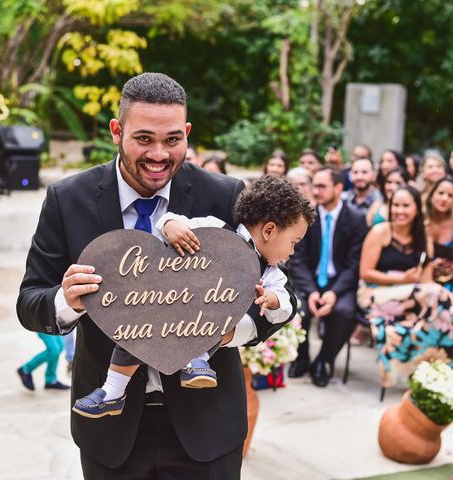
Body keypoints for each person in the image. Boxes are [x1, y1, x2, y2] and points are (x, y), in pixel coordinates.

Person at [16, 73, 290, 479]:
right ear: (117, 130)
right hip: (111, 435)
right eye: (144, 139)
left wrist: (234, 331)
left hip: (207, 428)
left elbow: (282, 288)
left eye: (173, 140)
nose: (159, 154)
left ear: (187, 133)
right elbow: (29, 301)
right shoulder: (67, 200)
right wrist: (65, 300)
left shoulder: (226, 195)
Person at [71, 175, 313, 418]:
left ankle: (197, 360)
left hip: (206, 323)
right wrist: (170, 225)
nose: (292, 252)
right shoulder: (214, 229)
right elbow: (172, 221)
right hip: (165, 308)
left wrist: (271, 298)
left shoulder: (270, 273)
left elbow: (283, 302)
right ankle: (112, 391)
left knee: (220, 312)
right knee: (134, 331)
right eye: (293, 242)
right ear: (269, 230)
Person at [359, 185, 453, 387]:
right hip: (377, 293)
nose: (399, 210)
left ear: (416, 210)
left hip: (413, 297)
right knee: (438, 295)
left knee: (440, 308)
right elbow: (365, 272)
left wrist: (438, 292)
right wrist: (402, 279)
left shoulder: (423, 237)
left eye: (405, 206)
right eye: (396, 205)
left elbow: (426, 280)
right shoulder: (381, 231)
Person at [288, 166, 367, 387]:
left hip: (340, 282)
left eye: (322, 186)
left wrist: (334, 293)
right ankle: (301, 357)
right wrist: (312, 291)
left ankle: (323, 360)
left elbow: (355, 264)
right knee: (298, 307)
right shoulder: (306, 217)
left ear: (339, 187)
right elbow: (298, 259)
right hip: (310, 281)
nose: (316, 190)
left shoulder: (356, 218)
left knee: (344, 311)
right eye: (315, 185)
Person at [425, 177, 453, 298]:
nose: (444, 198)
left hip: (448, 284)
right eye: (441, 193)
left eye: (450, 195)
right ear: (432, 194)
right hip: (419, 281)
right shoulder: (420, 222)